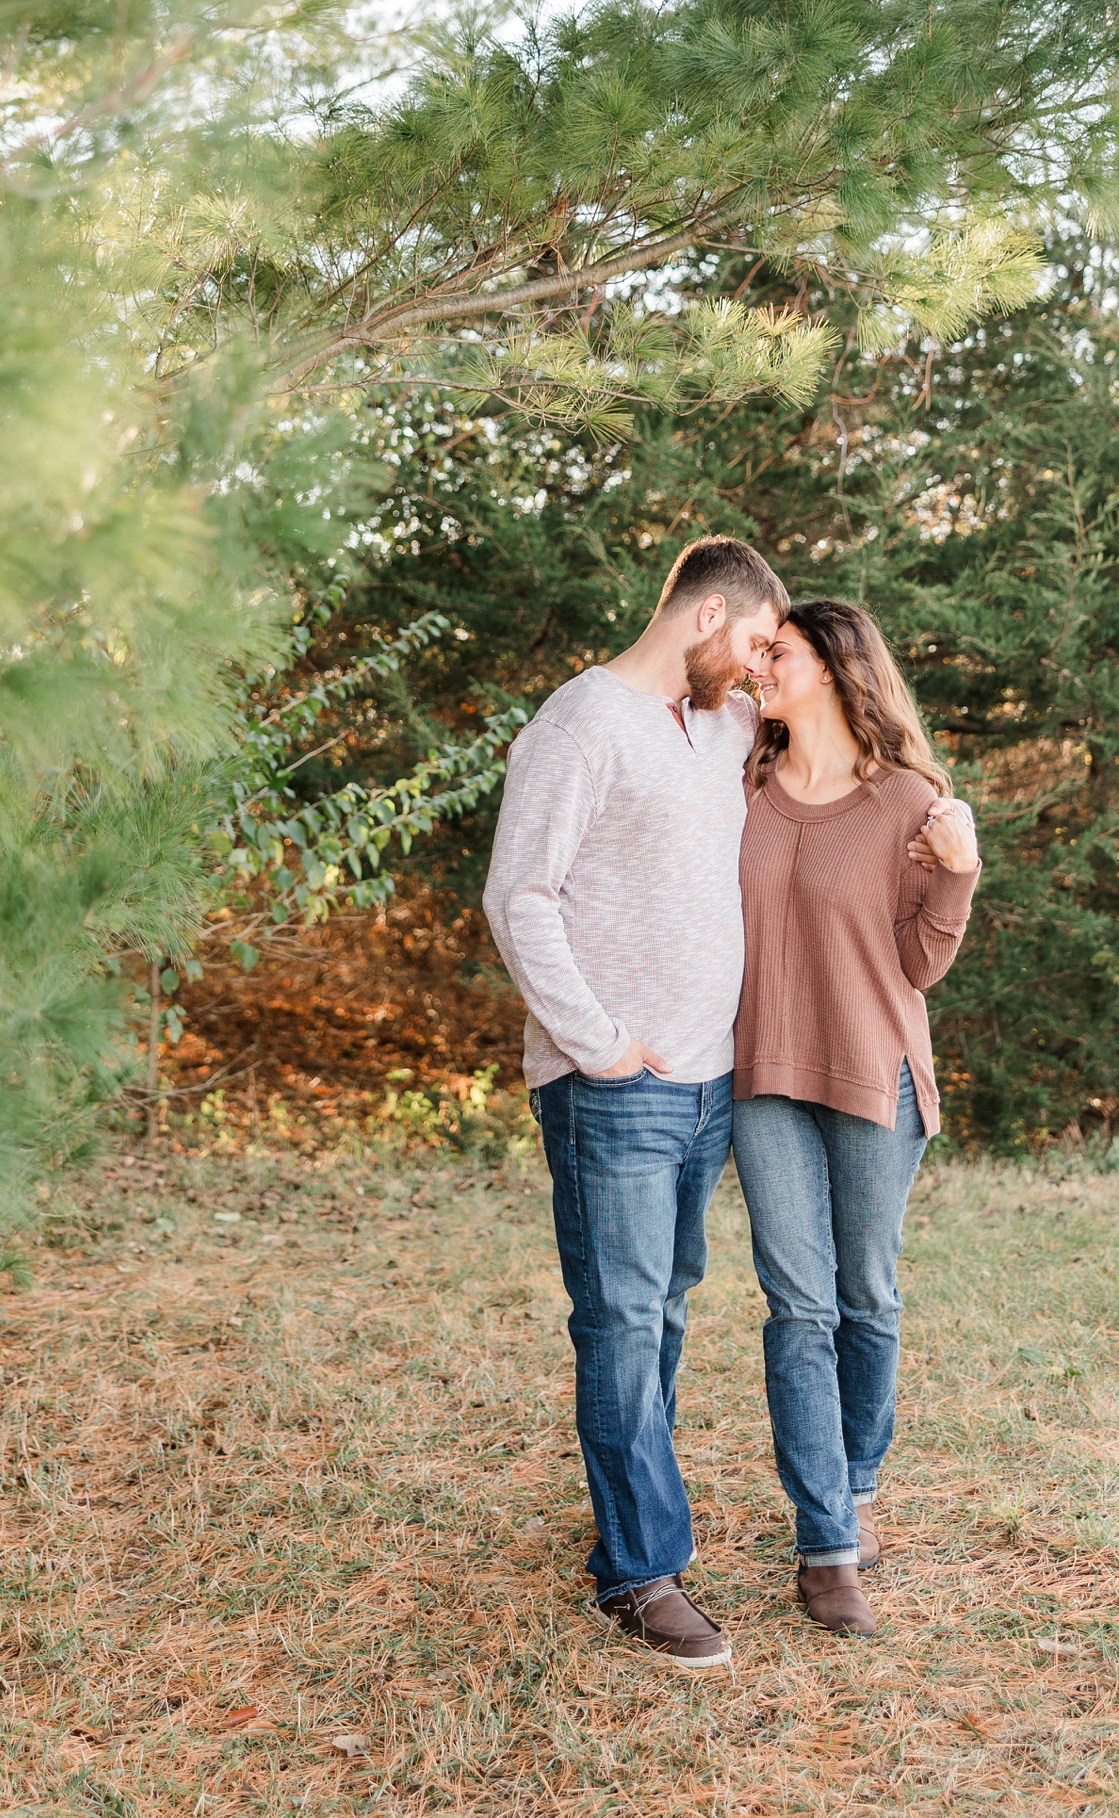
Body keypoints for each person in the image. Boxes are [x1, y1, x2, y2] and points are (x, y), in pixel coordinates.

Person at [483, 535, 788, 1669]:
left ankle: (629, 1525)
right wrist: (600, 1046)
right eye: (758, 641)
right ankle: (641, 1571)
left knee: (661, 1313)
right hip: (614, 1088)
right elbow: (521, 897)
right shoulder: (582, 722)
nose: (763, 668)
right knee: (619, 1321)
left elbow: (834, 735)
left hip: (711, 1082)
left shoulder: (724, 727)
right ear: (709, 616)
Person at [731, 598, 980, 1637]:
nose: (756, 672)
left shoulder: (907, 802)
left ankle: (860, 1484)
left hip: (875, 1078)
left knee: (865, 1298)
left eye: (774, 655)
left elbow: (919, 963)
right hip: (760, 1078)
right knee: (800, 1310)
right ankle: (827, 1547)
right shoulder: (736, 786)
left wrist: (958, 871)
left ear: (833, 669)